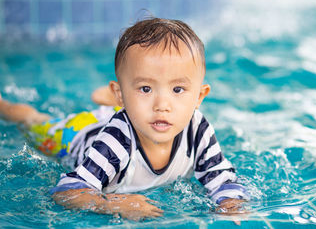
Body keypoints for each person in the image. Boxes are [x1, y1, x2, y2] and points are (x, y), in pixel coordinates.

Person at [0, 18, 249, 220]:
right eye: (146, 89)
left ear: (199, 96)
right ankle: (10, 108)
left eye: (178, 90)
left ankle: (117, 98)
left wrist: (230, 204)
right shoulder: (116, 142)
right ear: (121, 93)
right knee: (34, 124)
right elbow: (67, 191)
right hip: (75, 135)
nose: (163, 106)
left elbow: (223, 179)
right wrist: (111, 203)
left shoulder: (197, 129)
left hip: (126, 115)